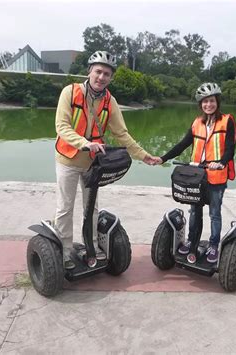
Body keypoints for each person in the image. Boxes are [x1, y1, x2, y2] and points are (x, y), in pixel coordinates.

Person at [54, 50, 158, 270]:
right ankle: (63, 252)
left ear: (111, 78)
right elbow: (61, 127)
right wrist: (84, 143)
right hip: (68, 160)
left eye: (107, 74)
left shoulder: (110, 101)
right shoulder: (70, 92)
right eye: (98, 71)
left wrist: (143, 155)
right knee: (65, 208)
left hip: (93, 163)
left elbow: (122, 134)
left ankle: (90, 247)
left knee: (91, 209)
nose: (101, 77)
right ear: (89, 71)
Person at [156, 82, 236, 263]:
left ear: (217, 102)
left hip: (216, 176)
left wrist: (221, 163)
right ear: (200, 104)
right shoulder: (197, 123)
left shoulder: (227, 120)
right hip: (196, 177)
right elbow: (183, 145)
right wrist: (163, 158)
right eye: (205, 102)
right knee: (194, 211)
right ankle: (192, 241)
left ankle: (214, 245)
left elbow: (230, 148)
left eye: (212, 101)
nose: (208, 105)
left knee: (214, 213)